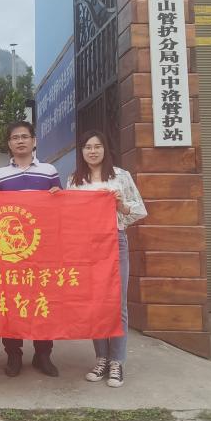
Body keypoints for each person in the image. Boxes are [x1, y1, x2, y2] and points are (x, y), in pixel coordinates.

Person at [66, 130, 146, 388]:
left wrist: (121, 206)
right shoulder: (74, 180)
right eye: (87, 147)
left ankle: (117, 361)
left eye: (97, 146)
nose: (92, 151)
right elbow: (69, 217)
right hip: (87, 247)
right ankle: (101, 358)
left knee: (117, 302)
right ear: (81, 152)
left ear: (105, 149)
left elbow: (139, 210)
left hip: (115, 241)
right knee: (95, 303)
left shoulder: (120, 176)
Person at [0, 121, 62, 377]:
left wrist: (57, 193)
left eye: (24, 136)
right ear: (9, 144)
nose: (20, 141)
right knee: (10, 302)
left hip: (43, 250)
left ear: (34, 141)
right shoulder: (0, 174)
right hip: (11, 253)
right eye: (15, 137)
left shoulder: (49, 170)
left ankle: (43, 354)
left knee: (43, 300)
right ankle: (13, 355)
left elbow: (61, 209)